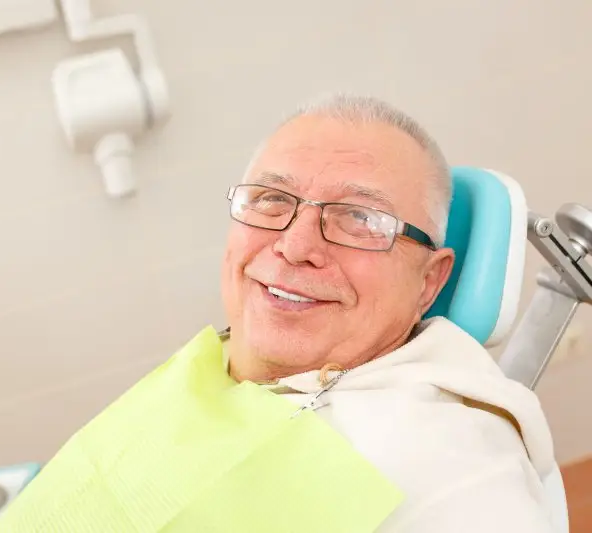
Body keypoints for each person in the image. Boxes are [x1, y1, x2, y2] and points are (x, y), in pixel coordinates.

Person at [220, 93, 557, 531]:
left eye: (360, 218)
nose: (295, 246)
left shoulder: (454, 475)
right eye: (272, 198)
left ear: (429, 281)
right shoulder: (217, 358)